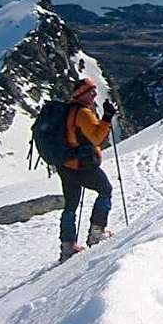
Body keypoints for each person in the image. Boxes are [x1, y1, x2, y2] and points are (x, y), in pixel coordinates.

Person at [59, 77, 117, 262]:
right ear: (82, 94)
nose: (94, 95)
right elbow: (97, 137)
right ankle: (96, 233)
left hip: (65, 165)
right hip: (82, 165)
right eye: (91, 92)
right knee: (105, 190)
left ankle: (67, 247)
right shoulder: (83, 113)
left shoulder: (68, 110)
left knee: (70, 206)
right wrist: (107, 118)